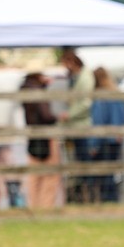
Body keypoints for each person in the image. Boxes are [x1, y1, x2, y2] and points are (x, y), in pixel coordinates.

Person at [86, 67, 124, 202]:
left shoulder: (100, 96)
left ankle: (106, 201)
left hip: (104, 139)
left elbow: (98, 121)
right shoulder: (116, 93)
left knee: (104, 174)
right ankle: (113, 200)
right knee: (112, 171)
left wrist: (93, 144)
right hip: (116, 139)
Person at [22, 72, 62, 210]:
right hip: (46, 137)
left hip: (32, 137)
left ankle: (33, 206)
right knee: (50, 175)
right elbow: (47, 116)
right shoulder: (38, 92)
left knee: (34, 176)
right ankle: (46, 207)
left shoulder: (24, 91)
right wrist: (57, 117)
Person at [58, 48, 94, 163]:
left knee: (84, 158)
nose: (66, 67)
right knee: (78, 157)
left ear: (72, 62)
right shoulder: (75, 77)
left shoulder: (85, 77)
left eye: (66, 63)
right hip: (75, 125)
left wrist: (69, 114)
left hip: (82, 124)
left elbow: (85, 102)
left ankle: (87, 180)